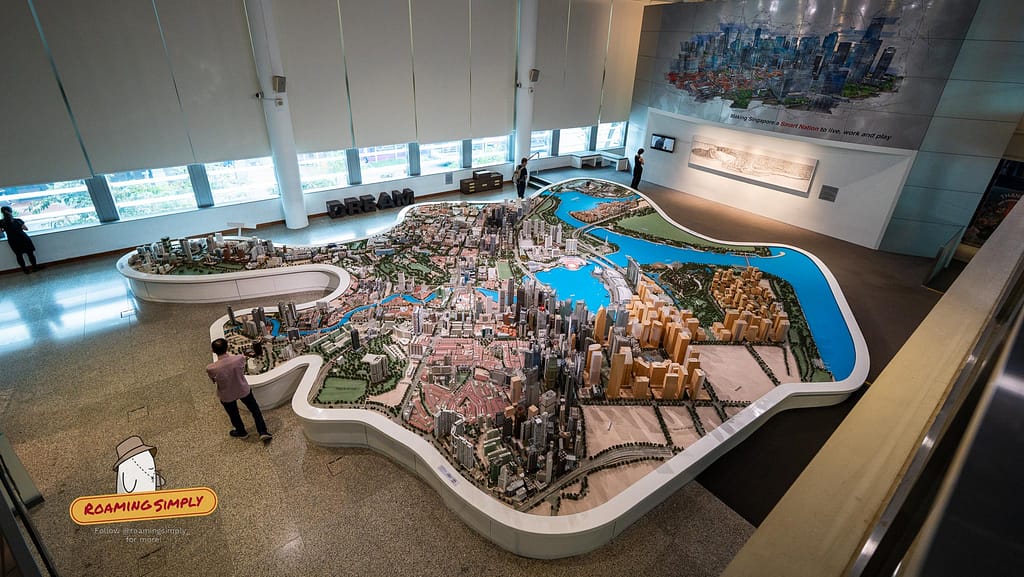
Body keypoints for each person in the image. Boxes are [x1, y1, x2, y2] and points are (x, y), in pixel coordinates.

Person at [206, 338, 272, 442]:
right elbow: (242, 369)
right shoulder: (239, 358)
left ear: (213, 351)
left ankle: (242, 432)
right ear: (227, 347)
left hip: (226, 395)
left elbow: (213, 381)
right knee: (255, 410)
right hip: (242, 389)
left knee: (234, 414)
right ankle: (262, 431)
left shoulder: (211, 368)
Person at [0, 206, 40, 274]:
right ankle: (34, 267)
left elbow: (1, 231)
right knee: (30, 254)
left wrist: (6, 229)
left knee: (19, 255)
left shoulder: (1, 222)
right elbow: (26, 229)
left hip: (13, 240)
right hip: (23, 238)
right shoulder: (18, 220)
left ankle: (25, 270)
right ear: (11, 211)